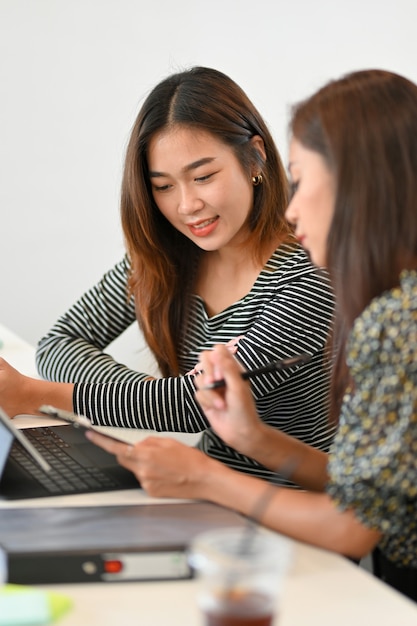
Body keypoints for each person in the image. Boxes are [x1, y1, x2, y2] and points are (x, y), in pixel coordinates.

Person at [85, 69, 417, 601]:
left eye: (305, 182)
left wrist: (206, 478)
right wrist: (251, 437)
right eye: (164, 186)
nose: (291, 207)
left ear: (365, 186)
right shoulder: (390, 305)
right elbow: (362, 484)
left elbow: (354, 523)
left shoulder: (389, 318)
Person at [0, 66, 335, 484]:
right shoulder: (167, 255)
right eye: (163, 186)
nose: (187, 205)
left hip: (294, 511)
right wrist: (150, 395)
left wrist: (32, 395)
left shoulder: (309, 274)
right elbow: (59, 343)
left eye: (203, 177)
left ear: (255, 156)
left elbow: (197, 406)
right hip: (201, 487)